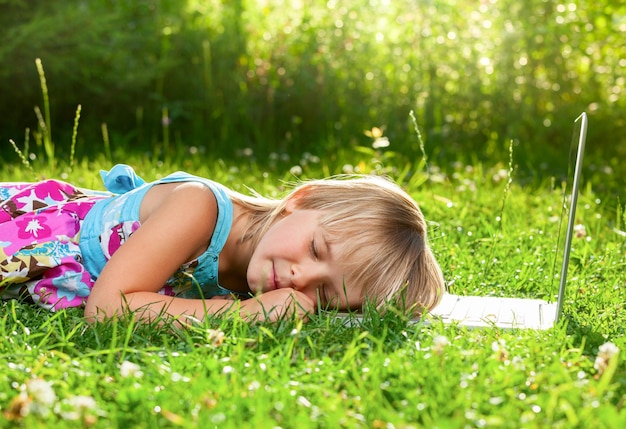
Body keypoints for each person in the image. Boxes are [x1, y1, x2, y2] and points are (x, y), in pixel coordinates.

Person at [0, 164, 445, 324]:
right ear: (300, 201)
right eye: (316, 250)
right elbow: (107, 310)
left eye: (326, 293)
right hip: (28, 235)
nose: (301, 278)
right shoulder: (200, 209)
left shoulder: (258, 275)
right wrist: (244, 315)